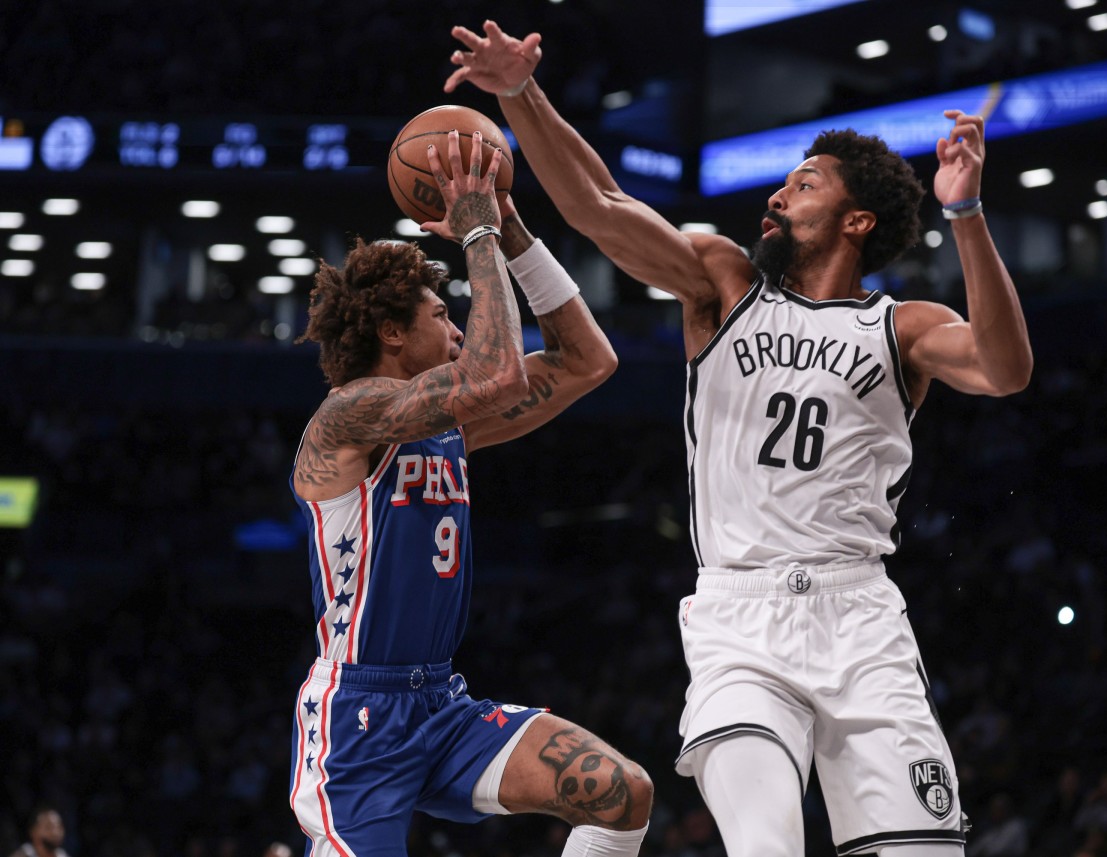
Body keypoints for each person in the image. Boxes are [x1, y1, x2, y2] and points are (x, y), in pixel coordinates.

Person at [443, 20, 1033, 857]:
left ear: (857, 220)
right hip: (740, 618)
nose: (777, 196)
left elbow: (1005, 369)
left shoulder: (903, 326)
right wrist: (519, 93)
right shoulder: (724, 284)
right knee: (766, 846)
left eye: (804, 183)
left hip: (861, 618)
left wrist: (966, 213)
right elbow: (600, 205)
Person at [288, 131, 652, 856]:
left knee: (620, 791)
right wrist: (477, 231)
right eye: (439, 317)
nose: (456, 331)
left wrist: (512, 231)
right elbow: (497, 374)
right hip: (356, 720)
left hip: (440, 704)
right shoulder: (347, 416)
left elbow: (590, 358)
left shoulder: (446, 426)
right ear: (392, 333)